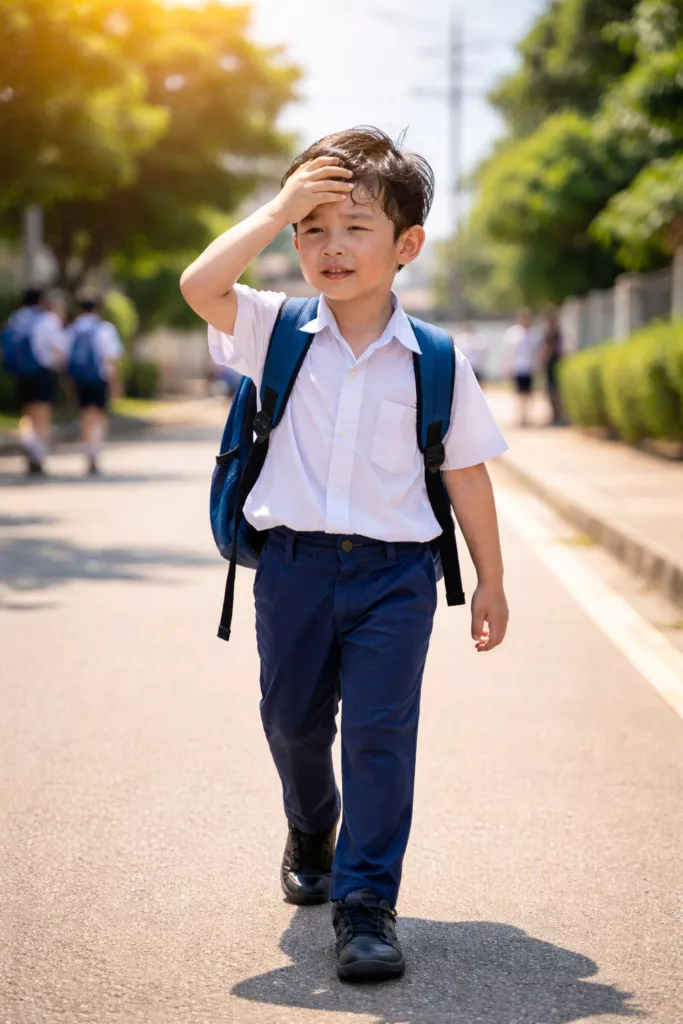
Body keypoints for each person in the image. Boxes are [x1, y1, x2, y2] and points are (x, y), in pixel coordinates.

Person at [180, 127, 509, 981]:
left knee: (377, 734)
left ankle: (366, 904)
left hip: (395, 578)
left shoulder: (437, 359)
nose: (331, 245)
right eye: (312, 228)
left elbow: (464, 474)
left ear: (407, 245)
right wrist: (275, 208)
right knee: (290, 721)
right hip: (291, 569)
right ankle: (309, 822)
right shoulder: (272, 328)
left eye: (355, 227)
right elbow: (200, 284)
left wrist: (491, 580)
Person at [1, 287, 67, 475]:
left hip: (21, 373)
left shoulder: (16, 318)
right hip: (41, 371)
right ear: (40, 300)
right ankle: (38, 455)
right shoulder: (46, 319)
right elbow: (59, 348)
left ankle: (28, 440)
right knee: (42, 414)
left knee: (28, 412)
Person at [65, 296, 124, 476]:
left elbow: (65, 356)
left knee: (85, 415)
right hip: (99, 378)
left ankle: (87, 450)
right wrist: (116, 383)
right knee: (98, 415)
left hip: (80, 379)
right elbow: (111, 358)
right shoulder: (104, 328)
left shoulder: (73, 329)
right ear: (97, 309)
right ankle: (95, 452)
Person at [503, 308, 542, 427]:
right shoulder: (513, 333)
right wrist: (507, 366)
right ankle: (520, 416)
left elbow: (538, 351)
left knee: (529, 393)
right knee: (519, 393)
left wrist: (538, 365)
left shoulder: (535, 333)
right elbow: (508, 352)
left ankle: (528, 416)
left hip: (530, 367)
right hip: (518, 367)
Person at [542, 310, 564, 426]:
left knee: (556, 392)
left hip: (556, 364)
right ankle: (554, 416)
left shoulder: (556, 334)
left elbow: (555, 349)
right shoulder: (549, 334)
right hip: (550, 365)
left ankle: (558, 416)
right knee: (550, 392)